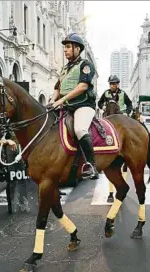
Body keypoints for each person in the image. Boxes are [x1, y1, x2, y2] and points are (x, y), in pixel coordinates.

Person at [46, 32, 98, 179]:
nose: (65, 50)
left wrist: (61, 101)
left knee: (80, 129)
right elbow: (57, 88)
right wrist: (51, 101)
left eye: (68, 47)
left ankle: (92, 165)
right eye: (65, 47)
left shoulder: (86, 65)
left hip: (83, 105)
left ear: (77, 49)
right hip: (66, 107)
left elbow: (82, 87)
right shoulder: (64, 69)